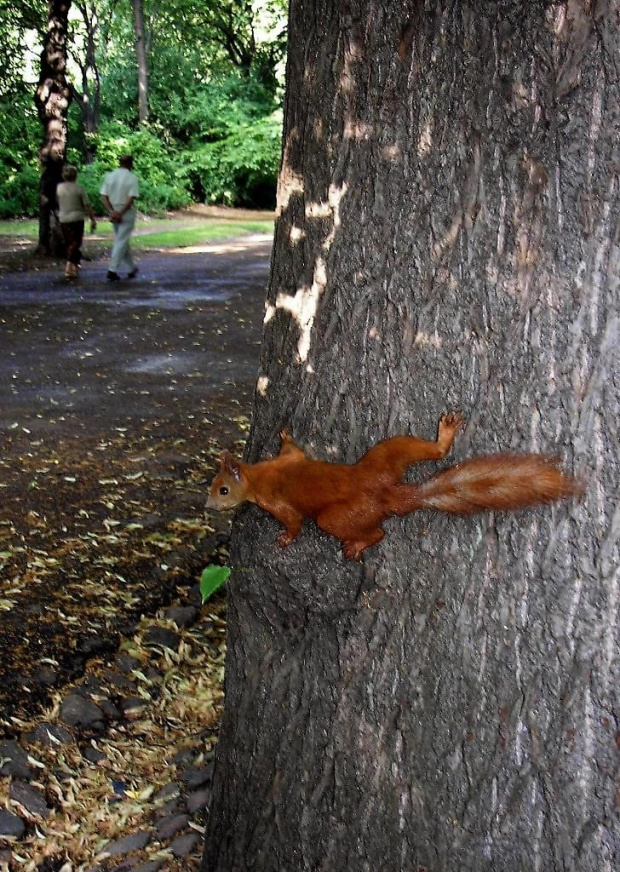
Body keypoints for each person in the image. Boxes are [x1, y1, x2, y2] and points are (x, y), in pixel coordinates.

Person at [99, 154, 139, 281]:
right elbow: (131, 198)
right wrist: (121, 212)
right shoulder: (132, 178)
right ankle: (112, 269)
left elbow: (104, 196)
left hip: (113, 208)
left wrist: (111, 211)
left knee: (122, 239)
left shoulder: (110, 176)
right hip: (125, 211)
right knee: (121, 240)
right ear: (130, 164)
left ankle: (131, 268)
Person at [56, 165, 96, 279]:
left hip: (63, 219)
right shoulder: (79, 188)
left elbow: (57, 202)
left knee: (70, 242)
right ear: (76, 176)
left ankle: (75, 265)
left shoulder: (59, 188)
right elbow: (87, 205)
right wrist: (92, 219)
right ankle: (69, 266)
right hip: (77, 219)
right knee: (76, 243)